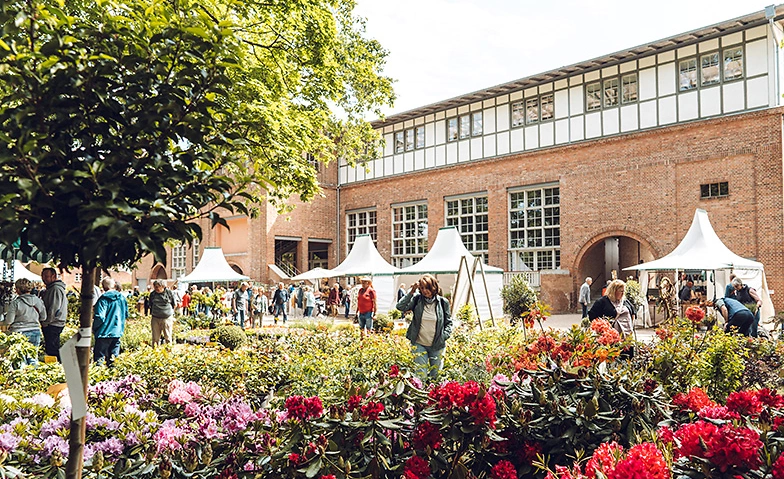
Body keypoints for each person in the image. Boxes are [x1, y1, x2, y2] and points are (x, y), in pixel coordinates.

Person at [396, 274, 453, 381]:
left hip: (437, 345)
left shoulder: (442, 302)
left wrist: (443, 336)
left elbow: (449, 322)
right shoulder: (417, 300)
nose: (425, 291)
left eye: (427, 288)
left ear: (434, 287)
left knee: (436, 376)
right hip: (419, 344)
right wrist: (412, 291)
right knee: (420, 375)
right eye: (422, 288)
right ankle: (421, 397)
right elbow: (400, 307)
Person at [2, 278, 46, 365]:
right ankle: (33, 377)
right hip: (35, 331)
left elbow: (9, 321)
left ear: (18, 290)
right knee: (33, 358)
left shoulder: (15, 303)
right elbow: (44, 317)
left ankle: (22, 377)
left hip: (19, 332)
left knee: (20, 360)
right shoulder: (38, 301)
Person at [93, 277, 128, 367]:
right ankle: (113, 379)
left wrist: (95, 328)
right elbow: (126, 314)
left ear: (103, 287)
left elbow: (100, 317)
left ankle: (98, 379)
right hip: (117, 332)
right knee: (114, 360)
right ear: (114, 285)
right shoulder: (122, 298)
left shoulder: (103, 299)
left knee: (99, 360)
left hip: (103, 333)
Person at [40, 267, 68, 361]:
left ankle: (55, 366)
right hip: (54, 322)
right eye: (42, 276)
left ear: (54, 276)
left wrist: (46, 322)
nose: (44, 279)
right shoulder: (52, 288)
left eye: (46, 276)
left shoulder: (55, 289)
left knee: (52, 349)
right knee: (52, 347)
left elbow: (54, 308)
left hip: (53, 323)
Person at [149, 279, 176, 346]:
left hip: (167, 318)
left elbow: (174, 304)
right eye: (155, 287)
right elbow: (150, 305)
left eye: (158, 286)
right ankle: (155, 353)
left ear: (163, 286)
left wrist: (170, 313)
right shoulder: (152, 294)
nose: (156, 288)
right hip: (155, 318)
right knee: (155, 338)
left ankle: (169, 352)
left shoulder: (169, 293)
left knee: (168, 337)